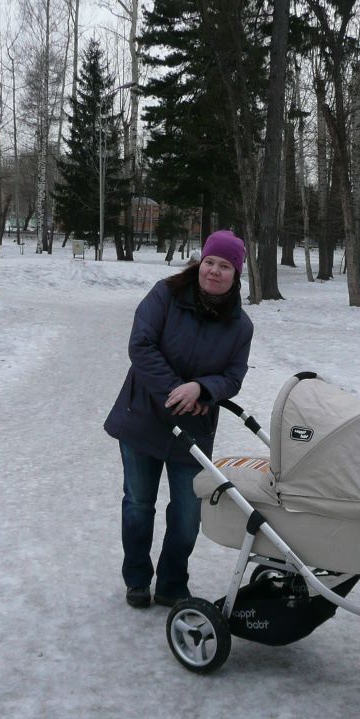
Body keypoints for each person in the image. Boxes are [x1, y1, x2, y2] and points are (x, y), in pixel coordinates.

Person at [104, 230, 254, 608]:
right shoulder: (165, 295)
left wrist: (203, 389)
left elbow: (233, 376)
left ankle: (172, 583)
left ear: (236, 274)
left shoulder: (240, 325)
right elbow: (141, 345)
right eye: (209, 262)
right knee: (139, 504)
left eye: (224, 266)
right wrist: (178, 390)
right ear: (199, 262)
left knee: (188, 516)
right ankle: (137, 579)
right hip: (144, 418)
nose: (214, 271)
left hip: (193, 431)